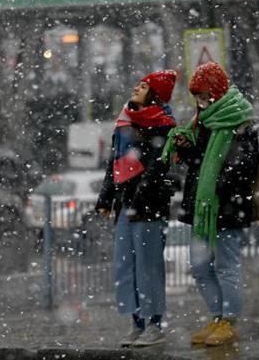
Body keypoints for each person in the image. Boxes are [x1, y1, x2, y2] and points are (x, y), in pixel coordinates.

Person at [161, 62, 259, 347]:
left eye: (204, 95)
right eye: (197, 97)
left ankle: (229, 320)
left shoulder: (239, 119)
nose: (201, 102)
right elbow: (199, 162)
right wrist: (186, 148)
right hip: (203, 207)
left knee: (227, 265)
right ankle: (217, 317)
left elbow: (244, 166)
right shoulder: (203, 120)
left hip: (226, 206)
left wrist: (218, 184)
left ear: (217, 91)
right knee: (200, 265)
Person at [95, 70, 177, 348]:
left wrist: (141, 191)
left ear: (155, 94)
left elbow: (159, 165)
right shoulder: (124, 122)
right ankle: (136, 321)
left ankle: (155, 323)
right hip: (125, 204)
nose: (136, 88)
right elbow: (114, 163)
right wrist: (106, 198)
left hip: (149, 206)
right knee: (124, 265)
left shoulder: (163, 124)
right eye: (138, 83)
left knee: (148, 266)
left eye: (144, 86)